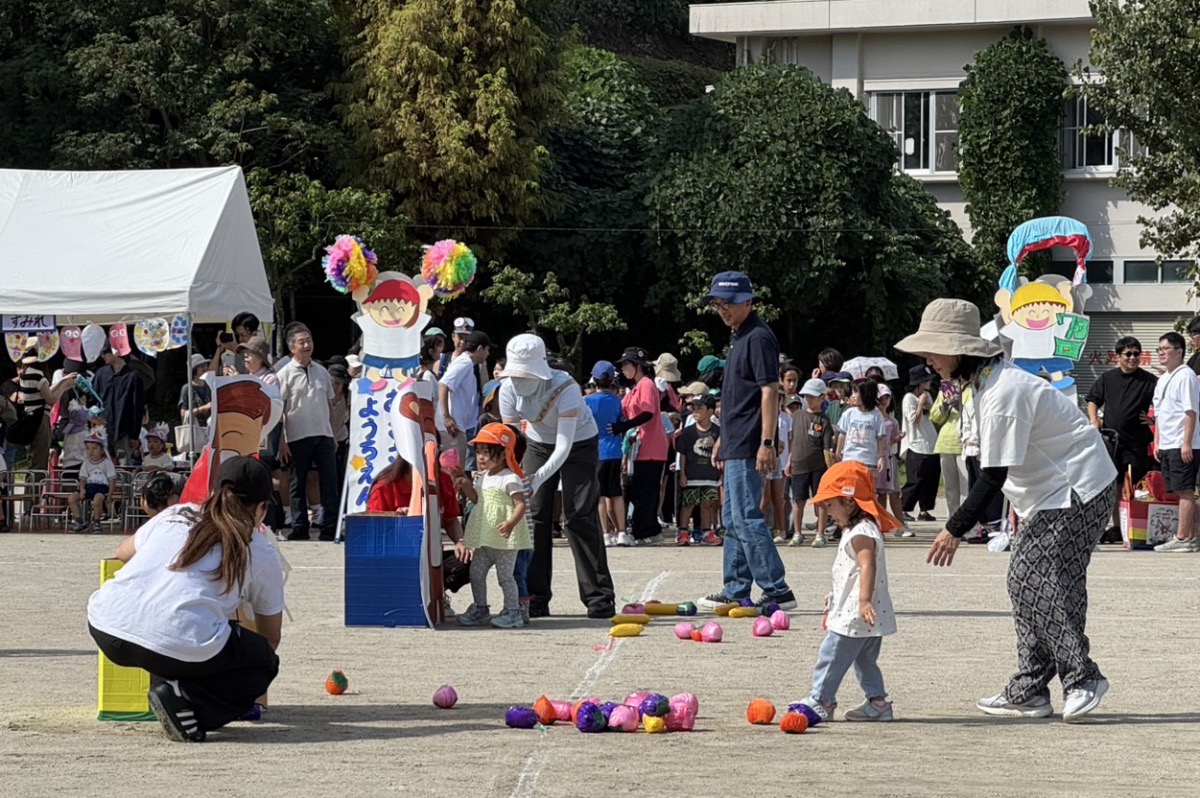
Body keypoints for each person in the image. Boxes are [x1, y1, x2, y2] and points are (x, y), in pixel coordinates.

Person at [903, 298, 1117, 722]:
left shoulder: (1003, 391)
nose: (928, 359)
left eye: (934, 350)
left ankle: (1082, 677)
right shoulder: (983, 385)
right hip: (1056, 492)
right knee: (1049, 584)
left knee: (1028, 578)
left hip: (1076, 486)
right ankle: (1031, 688)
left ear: (961, 350)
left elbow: (993, 475)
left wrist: (954, 528)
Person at [87, 456, 283, 742]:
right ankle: (190, 704)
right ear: (262, 509)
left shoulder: (176, 513)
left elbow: (123, 552)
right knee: (263, 662)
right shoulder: (259, 549)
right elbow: (270, 637)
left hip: (107, 625)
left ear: (213, 492)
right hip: (173, 641)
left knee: (188, 635)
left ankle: (172, 684)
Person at [695, 272, 795, 612]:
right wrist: (723, 437)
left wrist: (767, 441)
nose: (723, 310)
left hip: (751, 440)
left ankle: (777, 588)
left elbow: (769, 391)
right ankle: (736, 587)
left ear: (749, 302)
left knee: (747, 516)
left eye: (729, 303)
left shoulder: (758, 337)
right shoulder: (739, 336)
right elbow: (737, 396)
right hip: (735, 438)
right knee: (733, 518)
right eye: (717, 304)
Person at [499, 334, 616, 619]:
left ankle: (599, 597)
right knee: (534, 513)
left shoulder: (566, 387)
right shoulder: (506, 389)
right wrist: (511, 476)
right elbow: (512, 440)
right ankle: (535, 596)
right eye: (515, 374)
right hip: (536, 443)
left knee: (579, 514)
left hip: (579, 443)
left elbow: (564, 446)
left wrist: (537, 479)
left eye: (525, 374)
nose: (519, 380)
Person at [792, 460, 900, 722]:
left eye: (830, 505)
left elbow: (867, 565)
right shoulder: (859, 528)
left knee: (832, 654)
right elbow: (849, 571)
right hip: (867, 612)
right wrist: (835, 596)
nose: (828, 512)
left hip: (857, 612)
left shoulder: (861, 532)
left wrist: (863, 601)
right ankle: (878, 703)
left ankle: (821, 699)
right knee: (864, 660)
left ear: (850, 502)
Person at [453, 424, 532, 629]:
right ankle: (481, 608)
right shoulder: (483, 477)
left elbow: (520, 504)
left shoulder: (510, 478)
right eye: (478, 452)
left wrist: (511, 523)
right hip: (485, 536)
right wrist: (466, 485)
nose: (481, 457)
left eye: (486, 452)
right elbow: (477, 500)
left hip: (504, 541)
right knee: (476, 573)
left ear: (504, 453)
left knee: (505, 577)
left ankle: (513, 611)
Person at [1085, 336, 1157, 538]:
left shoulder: (1150, 380)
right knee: (1113, 486)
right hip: (1112, 442)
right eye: (1128, 354)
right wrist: (1094, 420)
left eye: (1136, 354)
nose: (1133, 358)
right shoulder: (1108, 378)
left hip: (1136, 442)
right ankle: (1117, 527)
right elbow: (1092, 400)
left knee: (1135, 485)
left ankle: (1135, 526)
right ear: (1118, 356)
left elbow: (1166, 404)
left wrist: (1153, 420)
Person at [276, 326, 338, 541]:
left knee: (329, 482)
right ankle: (299, 527)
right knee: (297, 483)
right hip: (296, 435)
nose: (306, 345)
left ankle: (330, 527)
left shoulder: (322, 371)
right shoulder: (284, 374)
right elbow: (280, 410)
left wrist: (333, 433)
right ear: (292, 347)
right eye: (301, 342)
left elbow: (329, 404)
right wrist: (282, 441)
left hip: (324, 434)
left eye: (309, 340)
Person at [612, 347, 668, 545]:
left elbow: (647, 413)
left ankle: (648, 531)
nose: (623, 368)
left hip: (650, 445)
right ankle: (641, 529)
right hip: (638, 446)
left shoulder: (646, 384)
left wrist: (624, 426)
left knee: (646, 491)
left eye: (626, 364)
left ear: (637, 365)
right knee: (638, 490)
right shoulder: (635, 387)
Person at [1151, 332, 1200, 552]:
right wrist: (1157, 441)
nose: (1161, 353)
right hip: (1167, 443)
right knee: (1178, 490)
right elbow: (1159, 414)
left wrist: (1187, 442)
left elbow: (1191, 411)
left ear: (1179, 351)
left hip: (1182, 442)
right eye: (1159, 349)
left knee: (1185, 489)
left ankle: (1182, 538)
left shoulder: (1186, 375)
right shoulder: (1163, 378)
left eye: (1165, 349)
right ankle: (1190, 536)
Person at [14, 341, 77, 470]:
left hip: (30, 417)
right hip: (40, 419)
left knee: (33, 459)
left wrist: (62, 381)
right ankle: (36, 484)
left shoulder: (26, 373)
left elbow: (43, 391)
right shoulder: (37, 375)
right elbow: (51, 400)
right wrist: (64, 387)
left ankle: (31, 483)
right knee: (39, 461)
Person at [584, 361, 626, 547]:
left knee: (600, 494)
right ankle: (622, 532)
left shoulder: (587, 401)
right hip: (615, 450)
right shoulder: (617, 401)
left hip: (597, 451)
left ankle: (605, 534)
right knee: (616, 492)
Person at [789, 378, 834, 548]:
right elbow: (793, 440)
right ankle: (797, 533)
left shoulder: (824, 419)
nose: (809, 399)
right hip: (798, 464)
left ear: (822, 398)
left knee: (821, 501)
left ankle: (820, 533)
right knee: (798, 500)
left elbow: (828, 447)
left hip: (818, 466)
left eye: (813, 396)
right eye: (806, 396)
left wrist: (830, 465)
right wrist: (789, 460)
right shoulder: (797, 415)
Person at [439, 331, 491, 470]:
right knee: (454, 472)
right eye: (487, 350)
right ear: (480, 348)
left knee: (457, 471)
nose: (487, 354)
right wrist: (446, 417)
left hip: (460, 426)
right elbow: (443, 384)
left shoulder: (469, 364)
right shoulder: (464, 362)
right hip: (453, 427)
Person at [677, 394, 721, 546]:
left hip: (711, 475)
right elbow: (682, 453)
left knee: (707, 504)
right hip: (692, 475)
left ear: (710, 411)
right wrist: (682, 473)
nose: (695, 412)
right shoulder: (688, 432)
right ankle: (683, 532)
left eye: (699, 408)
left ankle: (707, 532)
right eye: (693, 409)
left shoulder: (717, 431)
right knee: (688, 504)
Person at [93, 344, 147, 466]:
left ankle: (126, 480)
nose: (103, 356)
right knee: (100, 464)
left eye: (105, 352)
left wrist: (134, 435)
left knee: (125, 465)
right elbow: (93, 399)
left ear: (116, 353)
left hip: (124, 429)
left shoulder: (133, 377)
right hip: (102, 428)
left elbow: (137, 408)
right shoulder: (101, 374)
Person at [900, 365, 940, 522]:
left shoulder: (927, 395)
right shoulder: (909, 398)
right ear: (919, 382)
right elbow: (913, 420)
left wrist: (927, 404)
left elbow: (933, 415)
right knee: (916, 479)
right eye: (926, 380)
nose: (929, 383)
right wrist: (920, 403)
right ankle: (904, 508)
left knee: (931, 479)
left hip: (931, 443)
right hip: (916, 444)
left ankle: (925, 509)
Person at [930, 379, 968, 518]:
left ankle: (966, 520)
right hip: (946, 441)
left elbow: (977, 413)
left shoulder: (971, 388)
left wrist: (959, 405)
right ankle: (952, 519)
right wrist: (945, 406)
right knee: (950, 487)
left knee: (966, 487)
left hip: (965, 442)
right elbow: (935, 417)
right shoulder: (947, 388)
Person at [69, 430, 116, 533]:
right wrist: (82, 489)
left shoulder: (107, 463)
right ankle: (79, 522)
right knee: (72, 498)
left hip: (101, 488)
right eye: (88, 448)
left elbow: (112, 480)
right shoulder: (86, 462)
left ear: (102, 450)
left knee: (97, 499)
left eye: (94, 448)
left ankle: (97, 522)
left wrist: (110, 495)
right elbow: (83, 478)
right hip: (89, 486)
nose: (90, 452)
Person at [836, 380, 888, 475]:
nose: (853, 396)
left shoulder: (876, 416)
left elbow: (880, 438)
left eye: (856, 392)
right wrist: (838, 451)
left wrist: (881, 457)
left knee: (866, 484)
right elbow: (842, 434)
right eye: (852, 392)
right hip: (849, 459)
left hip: (869, 461)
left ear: (866, 394)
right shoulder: (849, 413)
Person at [875, 384, 906, 535]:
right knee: (878, 493)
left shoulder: (892, 421)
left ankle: (898, 524)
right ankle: (880, 524)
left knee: (892, 492)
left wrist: (897, 438)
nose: (884, 400)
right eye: (881, 397)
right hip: (874, 458)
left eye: (887, 397)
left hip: (888, 458)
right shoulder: (873, 418)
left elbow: (891, 441)